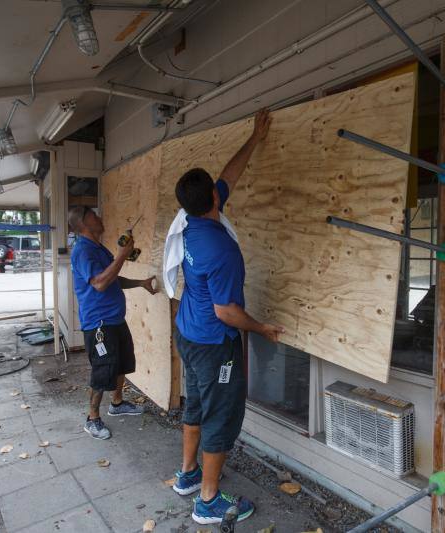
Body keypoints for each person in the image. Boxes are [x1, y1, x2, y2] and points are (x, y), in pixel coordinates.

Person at [166, 110, 285, 525]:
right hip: (215, 345)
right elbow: (227, 312)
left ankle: (187, 475)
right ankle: (208, 500)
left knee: (196, 405)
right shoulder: (222, 250)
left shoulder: (189, 221)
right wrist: (262, 327)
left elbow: (228, 176)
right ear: (213, 201)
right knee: (220, 415)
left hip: (187, 333)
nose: (221, 190)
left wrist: (255, 138)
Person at [67, 206, 157, 440]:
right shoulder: (82, 251)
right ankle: (92, 418)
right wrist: (120, 255)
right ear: (84, 222)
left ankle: (116, 403)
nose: (100, 217)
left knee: (123, 363)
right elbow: (99, 283)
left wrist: (140, 283)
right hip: (98, 323)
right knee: (103, 370)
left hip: (115, 319)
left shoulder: (98, 248)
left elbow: (113, 277)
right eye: (94, 216)